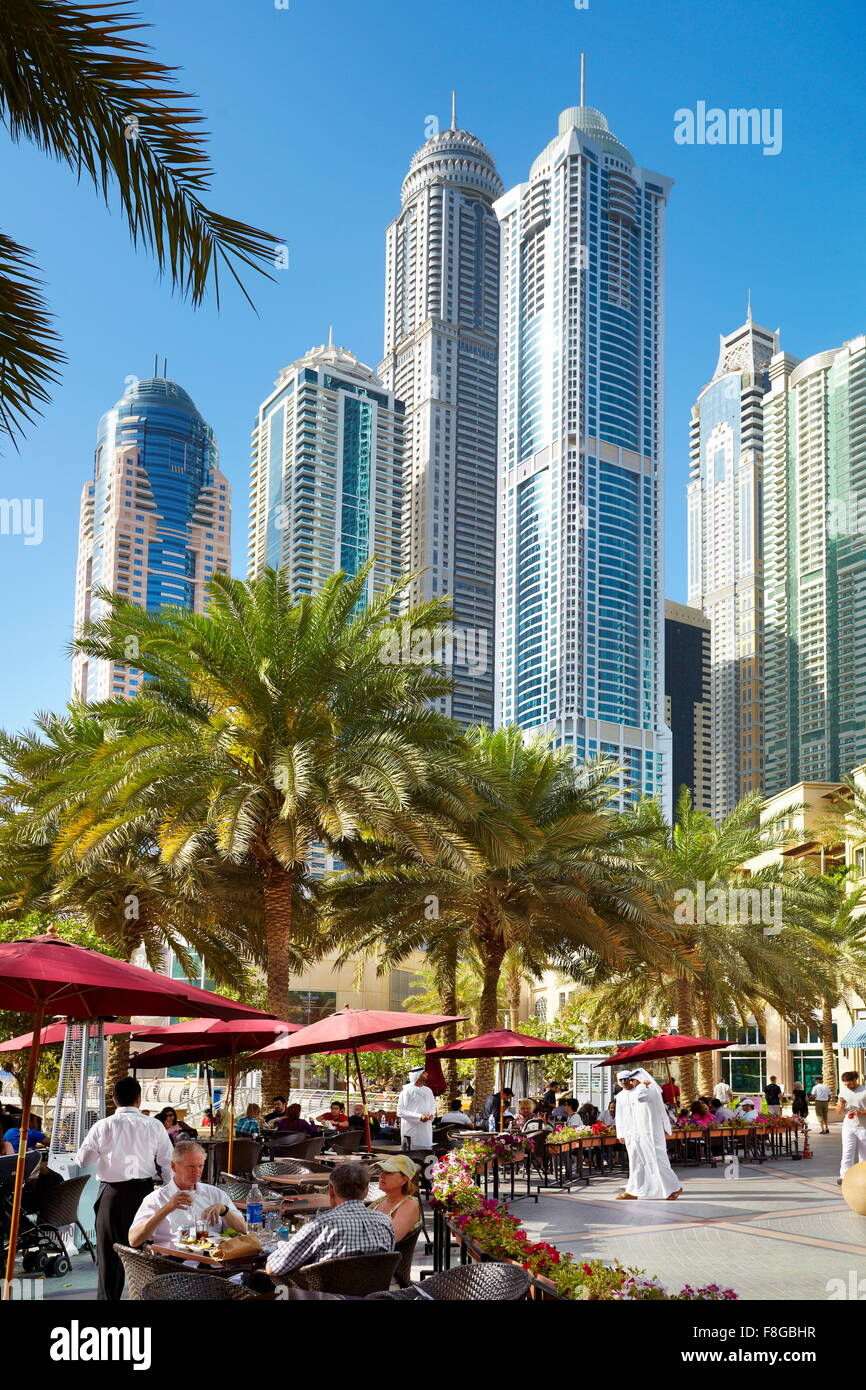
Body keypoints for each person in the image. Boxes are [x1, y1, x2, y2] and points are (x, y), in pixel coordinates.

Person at [76, 1076, 173, 1301]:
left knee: (110, 1258)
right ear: (139, 1099)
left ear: (114, 1099)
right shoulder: (154, 1125)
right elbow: (168, 1163)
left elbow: (83, 1160)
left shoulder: (103, 1126)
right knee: (147, 1257)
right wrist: (169, 1192)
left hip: (112, 1195)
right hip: (145, 1195)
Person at [265, 1161, 395, 1276]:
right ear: (366, 1191)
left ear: (331, 1190)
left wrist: (281, 1246)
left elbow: (273, 1268)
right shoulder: (385, 1222)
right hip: (373, 1294)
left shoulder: (321, 1224)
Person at [128, 1140, 247, 1247]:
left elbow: (243, 1229)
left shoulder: (215, 1194)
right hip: (173, 1264)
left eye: (200, 1166)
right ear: (173, 1166)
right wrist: (167, 1209)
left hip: (214, 1260)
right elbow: (134, 1240)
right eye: (191, 1167)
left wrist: (224, 1210)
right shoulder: (157, 1198)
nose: (197, 1171)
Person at [615, 1068, 682, 1201]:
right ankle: (633, 1190)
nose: (629, 1082)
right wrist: (621, 1133)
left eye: (632, 1080)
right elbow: (620, 1116)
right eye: (624, 1080)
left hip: (649, 1133)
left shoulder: (646, 1089)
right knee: (636, 1162)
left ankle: (674, 1187)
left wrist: (642, 1085)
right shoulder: (623, 1095)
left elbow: (642, 1098)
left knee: (657, 1160)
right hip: (634, 1133)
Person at [369, 1155, 422, 1241]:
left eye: (389, 1172)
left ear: (404, 1180)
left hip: (380, 1253)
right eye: (382, 1171)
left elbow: (391, 1238)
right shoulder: (381, 1200)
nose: (381, 1176)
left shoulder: (409, 1205)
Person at [836, 1070, 866, 1184]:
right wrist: (841, 1104)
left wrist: (860, 1112)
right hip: (848, 1126)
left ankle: (863, 1177)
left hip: (864, 1127)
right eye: (845, 1084)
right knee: (847, 1152)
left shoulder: (864, 1091)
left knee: (864, 1154)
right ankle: (844, 1177)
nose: (847, 1086)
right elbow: (839, 1111)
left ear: (855, 1080)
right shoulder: (843, 1091)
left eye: (849, 1084)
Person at [397, 1069, 436, 1151]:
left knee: (426, 1153)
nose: (427, 1074)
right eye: (424, 1073)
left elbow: (433, 1106)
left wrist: (431, 1114)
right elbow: (400, 1111)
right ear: (417, 1075)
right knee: (411, 1154)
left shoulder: (428, 1090)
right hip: (411, 1130)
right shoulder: (406, 1091)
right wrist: (419, 1117)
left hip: (426, 1130)